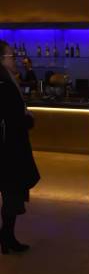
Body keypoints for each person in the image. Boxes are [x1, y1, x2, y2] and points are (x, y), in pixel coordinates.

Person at [0, 41, 40, 254]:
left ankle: (7, 237)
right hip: (10, 151)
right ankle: (6, 238)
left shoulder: (7, 81)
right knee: (11, 194)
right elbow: (14, 119)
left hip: (8, 149)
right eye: (10, 56)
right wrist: (29, 119)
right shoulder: (5, 85)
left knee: (10, 194)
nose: (14, 59)